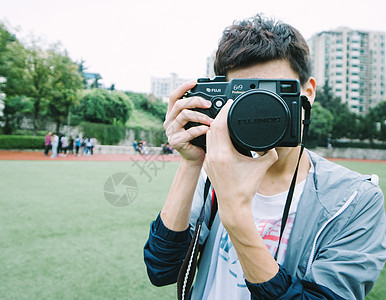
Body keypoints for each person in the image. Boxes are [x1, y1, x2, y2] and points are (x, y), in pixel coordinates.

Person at [143, 15, 386, 300]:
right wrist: (191, 161)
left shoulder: (354, 200)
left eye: (273, 92)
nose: (259, 109)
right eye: (245, 94)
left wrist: (235, 212)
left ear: (307, 92)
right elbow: (161, 270)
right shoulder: (214, 171)